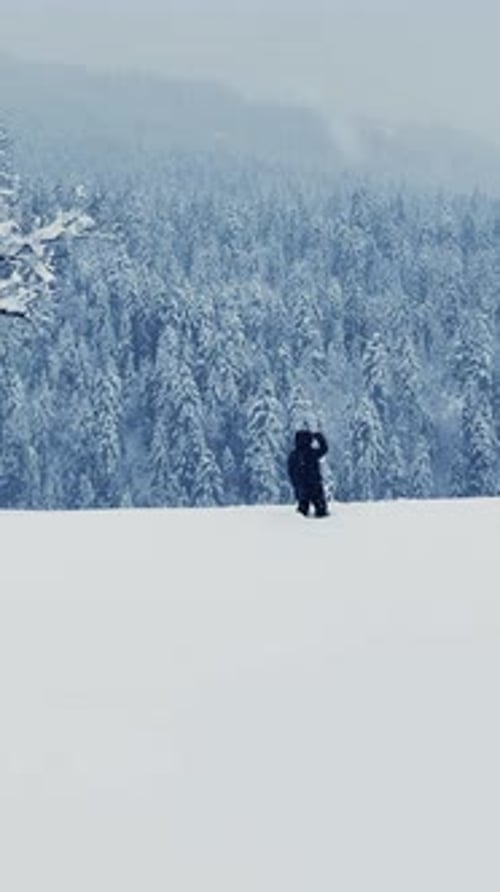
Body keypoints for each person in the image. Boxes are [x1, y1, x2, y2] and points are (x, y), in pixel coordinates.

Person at [287, 429, 329, 517]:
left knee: (302, 511)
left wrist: (295, 484)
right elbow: (324, 449)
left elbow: (290, 472)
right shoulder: (312, 452)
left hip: (302, 486)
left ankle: (300, 527)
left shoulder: (294, 455)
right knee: (321, 510)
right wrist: (319, 437)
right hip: (314, 485)